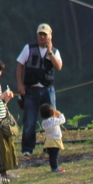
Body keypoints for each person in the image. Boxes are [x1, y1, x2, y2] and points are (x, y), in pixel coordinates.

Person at [16, 24, 63, 156]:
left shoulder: (55, 51)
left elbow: (58, 66)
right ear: (37, 35)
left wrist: (50, 52)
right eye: (40, 34)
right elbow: (20, 66)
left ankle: (52, 147)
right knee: (29, 121)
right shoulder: (28, 48)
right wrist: (20, 85)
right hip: (31, 90)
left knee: (52, 120)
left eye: (45, 34)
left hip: (47, 89)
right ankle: (27, 149)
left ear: (50, 36)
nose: (42, 37)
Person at [40, 104, 67, 173]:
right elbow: (63, 120)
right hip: (55, 140)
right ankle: (55, 168)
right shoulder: (54, 121)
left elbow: (51, 122)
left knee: (51, 155)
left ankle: (53, 167)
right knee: (55, 155)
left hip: (49, 141)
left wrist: (53, 116)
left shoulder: (44, 122)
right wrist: (60, 114)